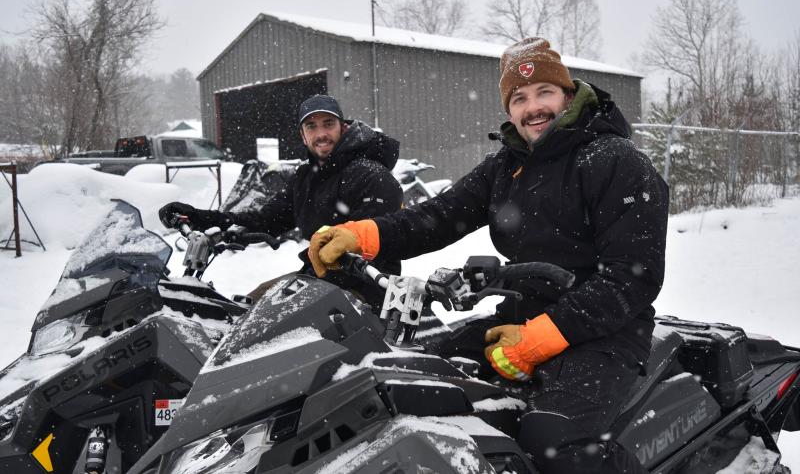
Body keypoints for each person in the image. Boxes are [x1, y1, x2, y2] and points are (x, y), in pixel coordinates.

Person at [308, 38, 668, 473]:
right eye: (520, 98)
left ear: (568, 95)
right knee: (409, 381)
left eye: (544, 93)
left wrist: (538, 340)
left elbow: (632, 279)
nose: (533, 108)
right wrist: (359, 234)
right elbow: (439, 216)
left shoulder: (615, 160)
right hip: (520, 318)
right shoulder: (507, 165)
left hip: (605, 333)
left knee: (555, 442)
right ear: (509, 109)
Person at [159, 94, 403, 306]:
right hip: (317, 279)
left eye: (328, 124)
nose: (321, 134)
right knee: (246, 309)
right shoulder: (307, 177)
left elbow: (381, 239)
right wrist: (202, 218)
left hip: (363, 291)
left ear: (343, 127)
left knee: (266, 337)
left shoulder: (370, 175)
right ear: (302, 136)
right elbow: (267, 219)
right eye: (311, 126)